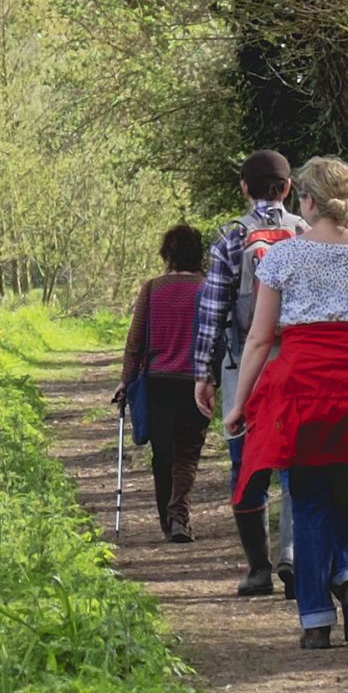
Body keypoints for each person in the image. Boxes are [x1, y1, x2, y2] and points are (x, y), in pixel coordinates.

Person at [226, 155, 348, 650]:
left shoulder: (283, 258)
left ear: (308, 201)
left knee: (310, 497)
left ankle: (316, 619)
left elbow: (258, 339)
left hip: (302, 392)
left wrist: (239, 404)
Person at [189, 151, 306, 595]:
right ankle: (293, 557)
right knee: (296, 464)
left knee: (246, 466)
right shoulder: (306, 234)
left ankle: (258, 569)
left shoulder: (231, 238)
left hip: (244, 368)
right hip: (297, 367)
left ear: (244, 188)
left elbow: (213, 312)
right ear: (289, 187)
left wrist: (204, 373)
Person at [114, 224, 211, 539]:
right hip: (196, 381)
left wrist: (125, 381)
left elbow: (135, 341)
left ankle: (168, 522)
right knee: (187, 452)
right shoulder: (207, 288)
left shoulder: (152, 288)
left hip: (157, 383)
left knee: (164, 455)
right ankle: (179, 516)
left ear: (166, 254)